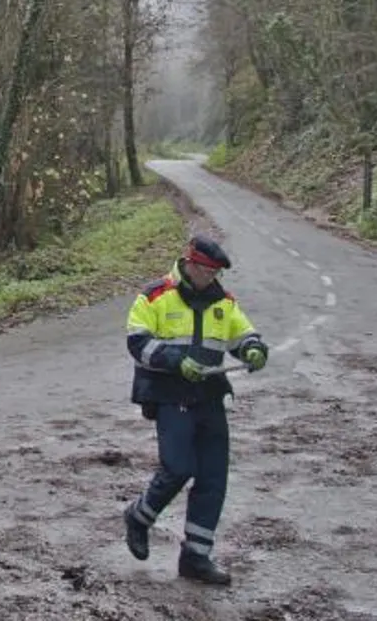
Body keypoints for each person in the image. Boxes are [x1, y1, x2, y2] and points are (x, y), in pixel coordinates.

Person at [122, 235, 270, 586]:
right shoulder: (155, 295)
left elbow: (242, 334)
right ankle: (139, 517)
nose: (210, 277)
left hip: (210, 397)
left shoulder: (223, 301)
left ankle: (196, 557)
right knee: (177, 467)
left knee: (213, 478)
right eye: (206, 270)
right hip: (171, 396)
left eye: (215, 272)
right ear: (189, 263)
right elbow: (137, 341)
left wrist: (253, 349)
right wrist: (175, 361)